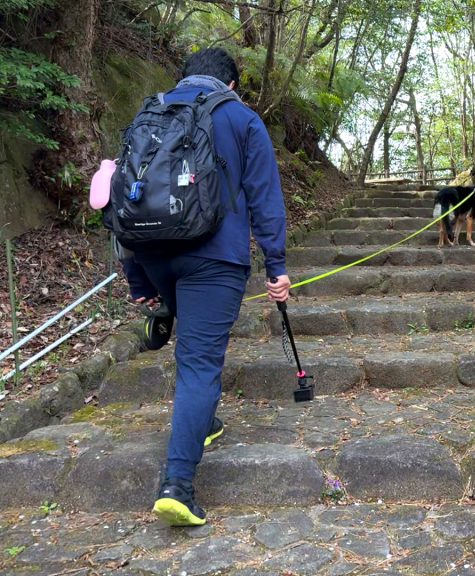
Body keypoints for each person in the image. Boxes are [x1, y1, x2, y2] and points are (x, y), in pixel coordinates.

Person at [117, 47, 291, 526]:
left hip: (154, 255)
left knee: (192, 348)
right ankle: (176, 484)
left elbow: (122, 195)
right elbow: (265, 197)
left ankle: (203, 421)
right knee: (199, 363)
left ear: (184, 77)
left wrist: (137, 277)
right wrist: (276, 266)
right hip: (214, 259)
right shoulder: (241, 118)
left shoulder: (150, 112)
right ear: (231, 84)